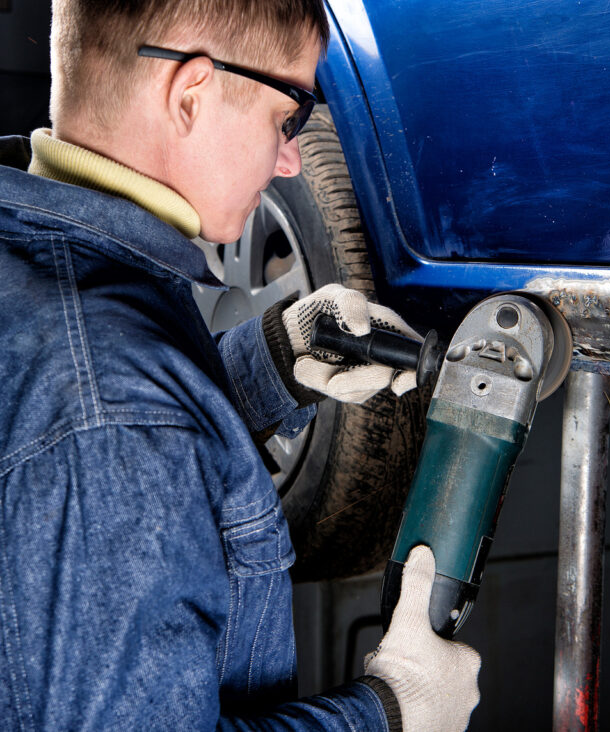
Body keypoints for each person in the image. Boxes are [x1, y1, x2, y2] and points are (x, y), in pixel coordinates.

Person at [0, 0, 480, 729]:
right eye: (287, 118)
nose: (291, 158)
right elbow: (115, 436)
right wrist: (390, 712)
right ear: (189, 94)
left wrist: (273, 362)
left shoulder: (35, 273)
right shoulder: (118, 408)